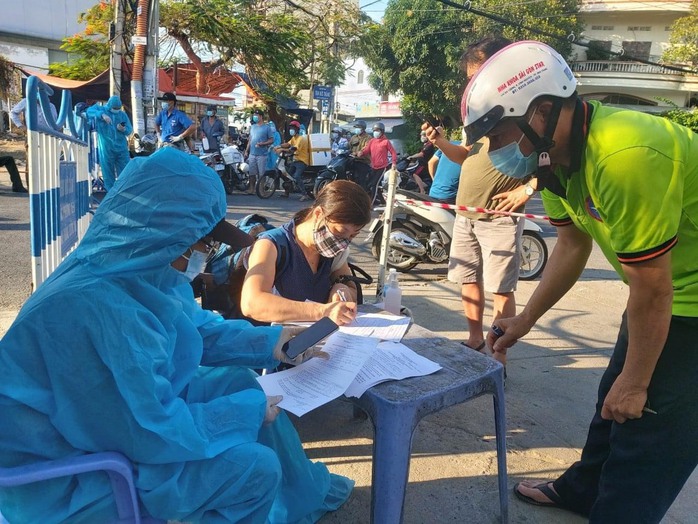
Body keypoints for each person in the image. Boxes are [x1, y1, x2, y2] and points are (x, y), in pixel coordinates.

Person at [0, 147, 354, 523]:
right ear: (168, 236)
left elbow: (195, 329)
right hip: (67, 476)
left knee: (240, 384)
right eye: (204, 244)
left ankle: (297, 496)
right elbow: (145, 432)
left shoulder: (135, 272)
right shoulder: (93, 308)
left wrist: (277, 342)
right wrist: (243, 414)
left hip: (100, 430)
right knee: (255, 470)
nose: (205, 254)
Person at [463, 40, 698, 523]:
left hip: (683, 298)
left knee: (645, 424)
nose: (495, 150)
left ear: (543, 111)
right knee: (611, 396)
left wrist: (637, 384)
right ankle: (582, 489)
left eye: (500, 134)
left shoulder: (624, 153)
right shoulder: (553, 161)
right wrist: (525, 318)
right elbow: (572, 245)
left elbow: (654, 287)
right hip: (662, 293)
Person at [423, 37, 531, 370]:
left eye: (480, 74)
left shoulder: (527, 110)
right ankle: (474, 338)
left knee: (501, 288)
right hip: (466, 214)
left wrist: (525, 190)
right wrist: (440, 141)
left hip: (499, 218)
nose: (475, 83)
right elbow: (464, 155)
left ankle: (498, 352)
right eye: (472, 77)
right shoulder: (480, 117)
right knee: (467, 279)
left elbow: (551, 161)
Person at [240, 180, 371, 326]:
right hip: (272, 342)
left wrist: (342, 289)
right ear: (318, 214)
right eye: (340, 231)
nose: (344, 242)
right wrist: (323, 311)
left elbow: (350, 286)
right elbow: (252, 304)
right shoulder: (270, 245)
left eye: (353, 236)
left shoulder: (334, 252)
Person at [86, 95, 133, 192]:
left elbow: (129, 130)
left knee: (125, 173)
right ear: (109, 105)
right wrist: (101, 115)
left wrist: (123, 129)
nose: (116, 110)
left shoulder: (122, 115)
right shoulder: (101, 109)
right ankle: (110, 195)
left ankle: (124, 194)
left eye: (118, 108)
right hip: (106, 148)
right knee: (108, 174)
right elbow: (89, 111)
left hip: (121, 148)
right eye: (114, 108)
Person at [355, 122, 397, 203]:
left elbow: (393, 152)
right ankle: (382, 201)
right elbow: (367, 150)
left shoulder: (386, 142)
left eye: (377, 130)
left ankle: (371, 203)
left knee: (374, 184)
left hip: (382, 167)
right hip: (373, 166)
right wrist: (361, 153)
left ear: (382, 131)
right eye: (374, 130)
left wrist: (394, 163)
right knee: (371, 184)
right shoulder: (372, 141)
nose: (375, 132)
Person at [275, 120, 312, 201]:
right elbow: (288, 144)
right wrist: (278, 146)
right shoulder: (294, 138)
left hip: (302, 161)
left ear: (297, 130)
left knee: (296, 176)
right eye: (291, 128)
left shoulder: (301, 139)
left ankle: (304, 194)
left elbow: (292, 150)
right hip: (295, 161)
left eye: (293, 128)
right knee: (287, 175)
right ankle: (287, 192)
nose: (291, 130)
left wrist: (282, 149)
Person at [244, 108, 275, 195]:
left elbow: (271, 140)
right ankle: (251, 189)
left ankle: (261, 190)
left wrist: (263, 143)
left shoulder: (267, 128)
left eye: (256, 115)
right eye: (254, 115)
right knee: (251, 173)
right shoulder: (253, 127)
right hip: (252, 154)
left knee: (261, 174)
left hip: (262, 154)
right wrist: (247, 151)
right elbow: (250, 140)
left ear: (261, 116)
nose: (254, 117)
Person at [348, 119, 372, 190]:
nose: (356, 129)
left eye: (358, 128)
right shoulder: (354, 137)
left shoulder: (368, 138)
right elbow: (349, 147)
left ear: (363, 128)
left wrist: (358, 153)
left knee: (361, 180)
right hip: (352, 160)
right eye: (356, 127)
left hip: (363, 161)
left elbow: (366, 148)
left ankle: (363, 193)